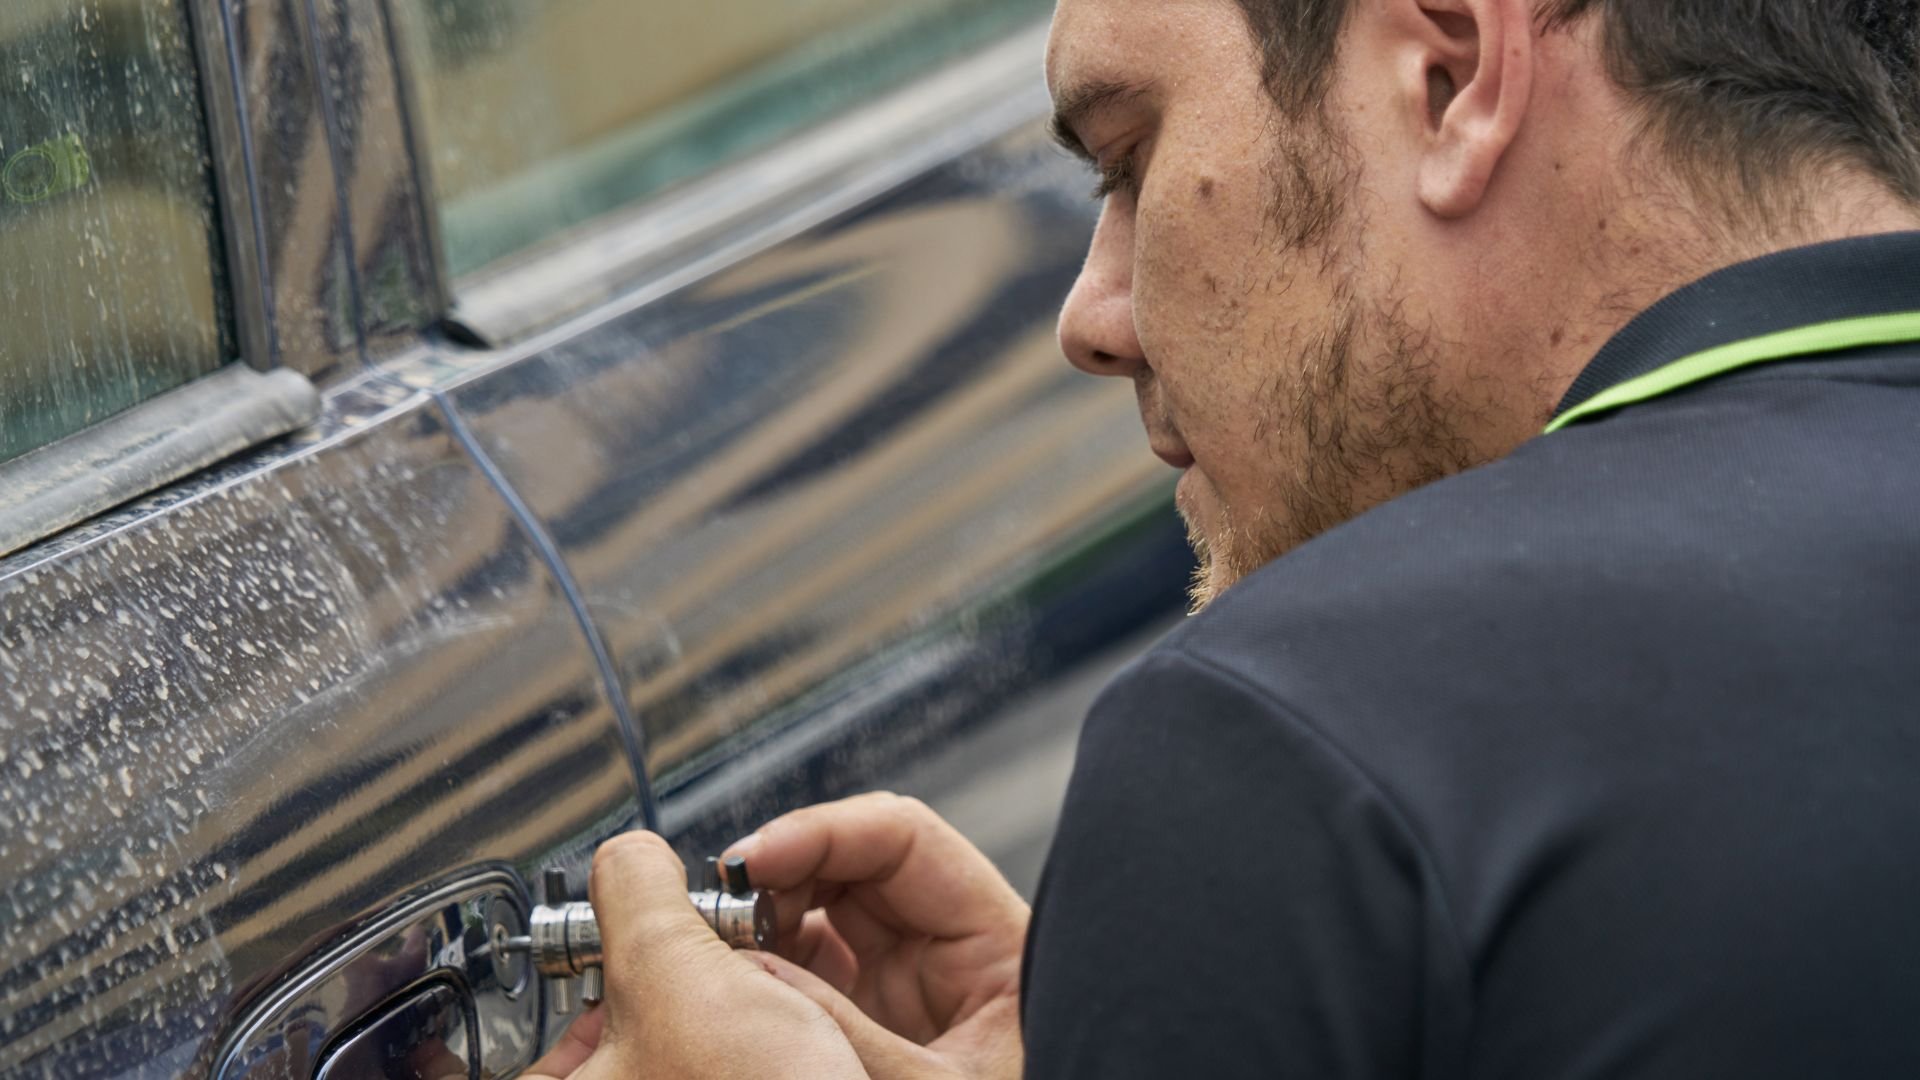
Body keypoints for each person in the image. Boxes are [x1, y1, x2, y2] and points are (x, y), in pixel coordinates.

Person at [529, 0, 1920, 1075]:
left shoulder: (1308, 734)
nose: (1093, 315)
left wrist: (1263, 917)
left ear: (1446, 75)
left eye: (1130, 158)